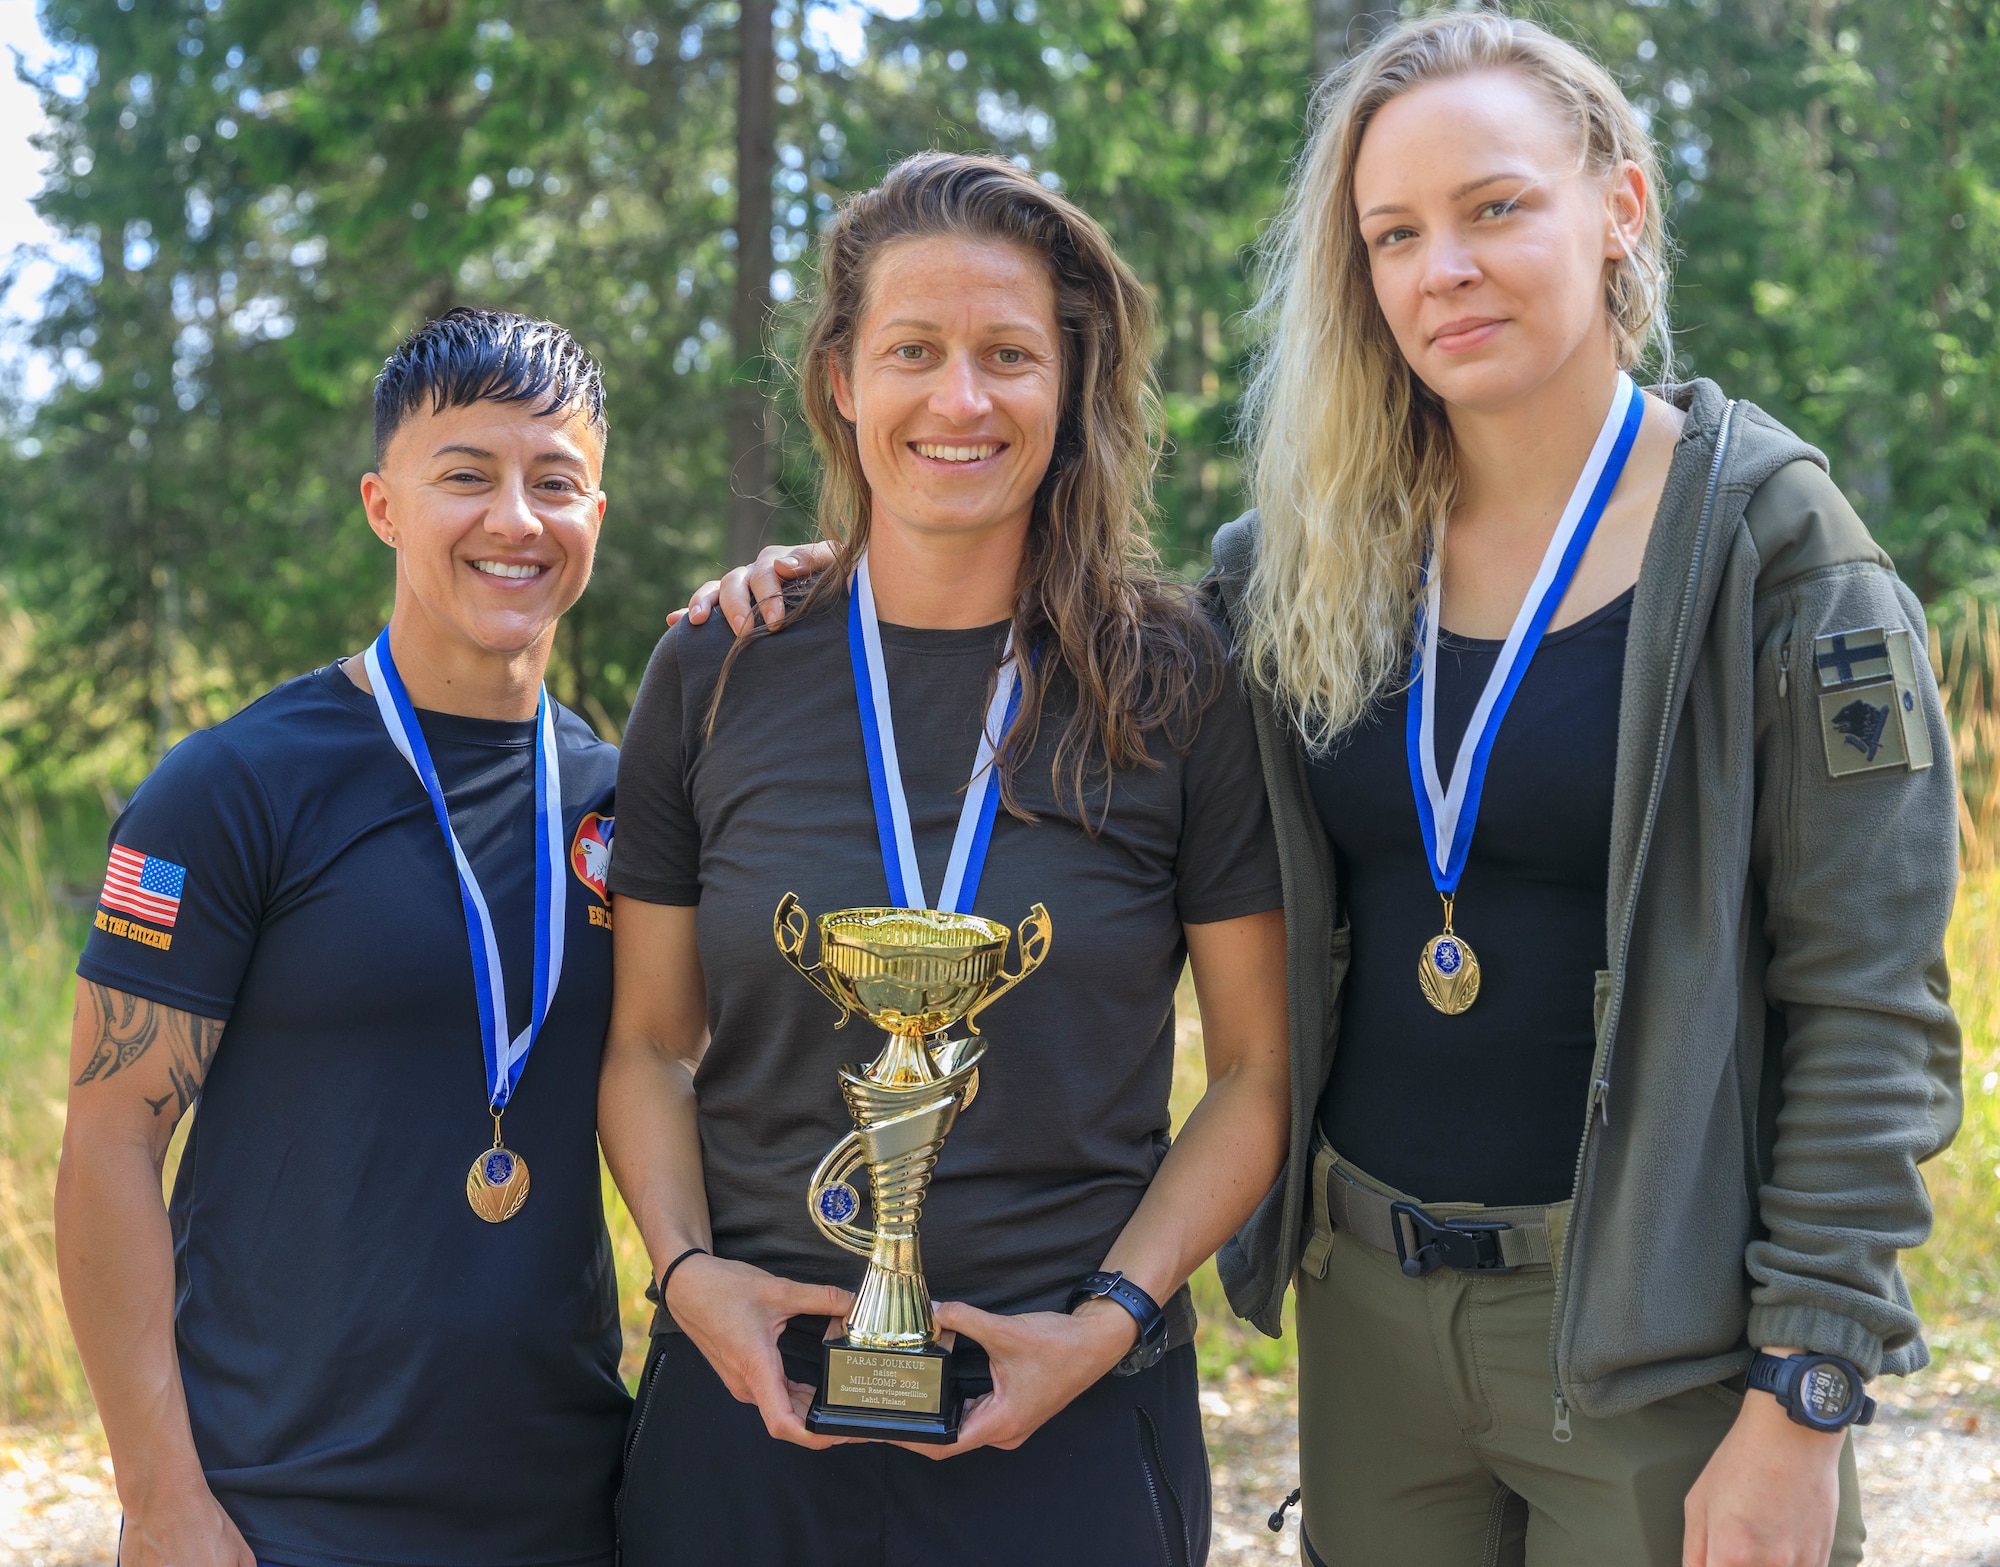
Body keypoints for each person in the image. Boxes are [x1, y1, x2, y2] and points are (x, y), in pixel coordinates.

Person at [687, 15, 1963, 1567]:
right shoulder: (1300, 575)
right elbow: (1023, 613)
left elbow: (1872, 1007)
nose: (1446, 270)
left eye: (1496, 207)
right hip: (1371, 1324)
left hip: (1653, 1344)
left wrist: (1802, 1394)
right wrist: (821, 584)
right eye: (1395, 234)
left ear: (1619, 205)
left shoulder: (1780, 562)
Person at [600, 151, 1289, 1567]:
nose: (960, 399)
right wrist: (685, 1278)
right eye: (913, 349)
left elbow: (1256, 1072)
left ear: (1070, 387)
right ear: (843, 380)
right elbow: (650, 1047)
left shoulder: (1175, 680)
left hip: (1073, 1415)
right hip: (754, 1405)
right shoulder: (718, 666)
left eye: (1009, 355)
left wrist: (1109, 1316)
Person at [55, 308, 632, 1567]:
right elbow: (108, 1144)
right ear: (383, 503)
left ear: (598, 510)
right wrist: (160, 1499)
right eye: (465, 476)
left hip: (566, 1500)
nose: (514, 520)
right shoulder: (237, 783)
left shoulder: (614, 794)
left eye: (556, 481)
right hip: (284, 1506)